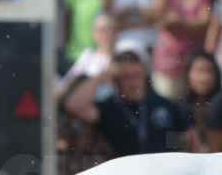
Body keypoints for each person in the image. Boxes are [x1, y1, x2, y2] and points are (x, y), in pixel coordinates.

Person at [62, 49, 190, 158]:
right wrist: (103, 75)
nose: (133, 83)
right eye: (126, 77)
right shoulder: (109, 107)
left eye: (137, 75)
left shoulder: (164, 105)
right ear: (116, 80)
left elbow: (189, 142)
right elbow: (73, 105)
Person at [150, 0, 215, 102]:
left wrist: (178, 23)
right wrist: (189, 25)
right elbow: (160, 20)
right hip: (168, 64)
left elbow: (204, 23)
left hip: (194, 65)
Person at [56, 12, 117, 97]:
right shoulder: (88, 55)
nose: (105, 34)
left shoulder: (119, 58)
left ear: (115, 32)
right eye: (100, 30)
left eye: (108, 29)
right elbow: (70, 78)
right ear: (94, 34)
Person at [181, 51, 222, 151]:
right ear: (188, 74)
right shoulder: (177, 109)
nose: (204, 78)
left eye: (209, 71)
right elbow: (171, 147)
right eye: (199, 71)